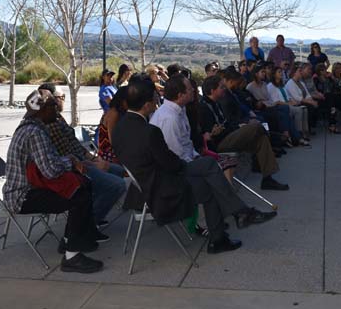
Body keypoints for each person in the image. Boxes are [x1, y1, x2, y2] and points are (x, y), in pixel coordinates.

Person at [112, 77, 276, 254]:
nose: (156, 101)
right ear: (146, 105)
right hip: (159, 189)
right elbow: (172, 163)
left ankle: (229, 227)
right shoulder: (152, 130)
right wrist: (193, 165)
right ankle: (233, 221)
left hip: (149, 182)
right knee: (209, 170)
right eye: (154, 99)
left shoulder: (120, 127)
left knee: (209, 173)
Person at [2, 89, 104, 273]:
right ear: (41, 110)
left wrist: (71, 161)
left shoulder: (35, 127)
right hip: (22, 196)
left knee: (84, 185)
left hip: (29, 189)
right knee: (78, 199)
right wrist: (72, 161)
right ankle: (72, 256)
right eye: (53, 106)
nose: (57, 110)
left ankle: (70, 240)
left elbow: (49, 164)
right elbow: (50, 170)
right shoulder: (34, 133)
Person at [39, 83, 126, 228]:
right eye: (61, 97)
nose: (63, 100)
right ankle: (87, 225)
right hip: (72, 170)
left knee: (118, 172)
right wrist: (92, 163)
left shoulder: (58, 118)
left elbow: (75, 145)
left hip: (82, 162)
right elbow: (65, 155)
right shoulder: (50, 122)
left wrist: (93, 158)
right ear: (51, 100)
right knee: (117, 184)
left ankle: (91, 214)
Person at [200, 75, 289, 191]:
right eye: (221, 87)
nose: (224, 89)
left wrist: (238, 126)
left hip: (229, 135)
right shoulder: (204, 107)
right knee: (256, 126)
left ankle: (267, 179)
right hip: (220, 143)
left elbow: (227, 123)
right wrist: (236, 127)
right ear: (212, 90)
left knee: (261, 139)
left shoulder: (216, 103)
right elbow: (213, 133)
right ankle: (272, 136)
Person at [247, 64, 307, 146]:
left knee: (286, 111)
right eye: (262, 72)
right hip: (262, 108)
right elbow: (254, 102)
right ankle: (295, 137)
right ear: (256, 74)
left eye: (264, 72)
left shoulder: (264, 84)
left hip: (271, 105)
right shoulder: (250, 87)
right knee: (285, 112)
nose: (264, 74)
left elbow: (268, 98)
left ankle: (289, 135)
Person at [266, 69, 310, 139]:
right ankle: (299, 132)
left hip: (287, 104)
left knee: (304, 108)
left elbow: (288, 97)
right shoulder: (270, 86)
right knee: (298, 110)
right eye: (279, 72)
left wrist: (293, 102)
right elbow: (276, 101)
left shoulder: (282, 85)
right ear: (274, 75)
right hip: (280, 107)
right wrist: (289, 104)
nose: (281, 74)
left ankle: (305, 131)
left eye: (282, 72)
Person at [97, 87, 128, 164]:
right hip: (108, 156)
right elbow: (113, 140)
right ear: (123, 100)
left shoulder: (119, 112)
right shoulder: (114, 113)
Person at [285, 66, 319, 132]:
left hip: (304, 100)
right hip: (296, 102)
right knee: (310, 107)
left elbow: (307, 94)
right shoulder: (290, 83)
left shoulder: (301, 83)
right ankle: (306, 129)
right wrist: (311, 102)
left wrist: (312, 100)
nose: (301, 72)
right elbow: (297, 98)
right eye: (299, 71)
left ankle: (309, 127)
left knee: (315, 104)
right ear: (294, 73)